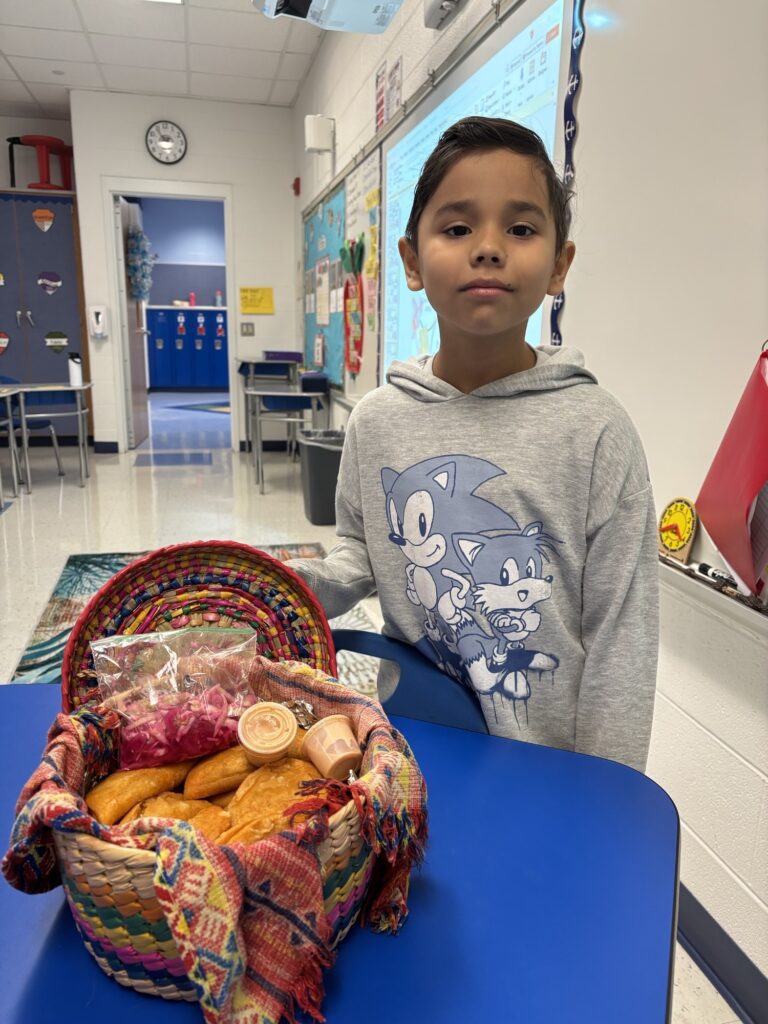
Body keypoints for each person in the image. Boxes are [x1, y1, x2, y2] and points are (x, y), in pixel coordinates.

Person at [288, 116, 658, 772]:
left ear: (558, 265)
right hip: (413, 746)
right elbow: (361, 552)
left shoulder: (597, 432)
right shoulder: (377, 419)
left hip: (549, 768)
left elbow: (620, 641)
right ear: (410, 260)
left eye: (521, 228)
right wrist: (287, 585)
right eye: (457, 228)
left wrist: (609, 798)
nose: (488, 247)